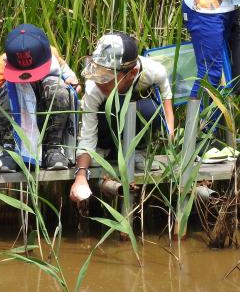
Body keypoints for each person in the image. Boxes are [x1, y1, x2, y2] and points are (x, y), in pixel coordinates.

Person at [70, 32, 174, 203]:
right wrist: (81, 175)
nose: (100, 81)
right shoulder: (93, 88)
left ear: (132, 73)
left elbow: (167, 101)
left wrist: (170, 134)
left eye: (107, 77)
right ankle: (103, 149)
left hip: (133, 123)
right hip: (106, 128)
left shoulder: (154, 71)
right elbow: (87, 134)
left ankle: (138, 150)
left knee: (150, 110)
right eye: (98, 73)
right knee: (110, 106)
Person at [0, 24, 80, 171]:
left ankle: (53, 149)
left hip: (44, 120)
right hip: (12, 125)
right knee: (8, 88)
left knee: (58, 87)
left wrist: (72, 85)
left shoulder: (52, 54)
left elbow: (70, 77)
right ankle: (9, 150)